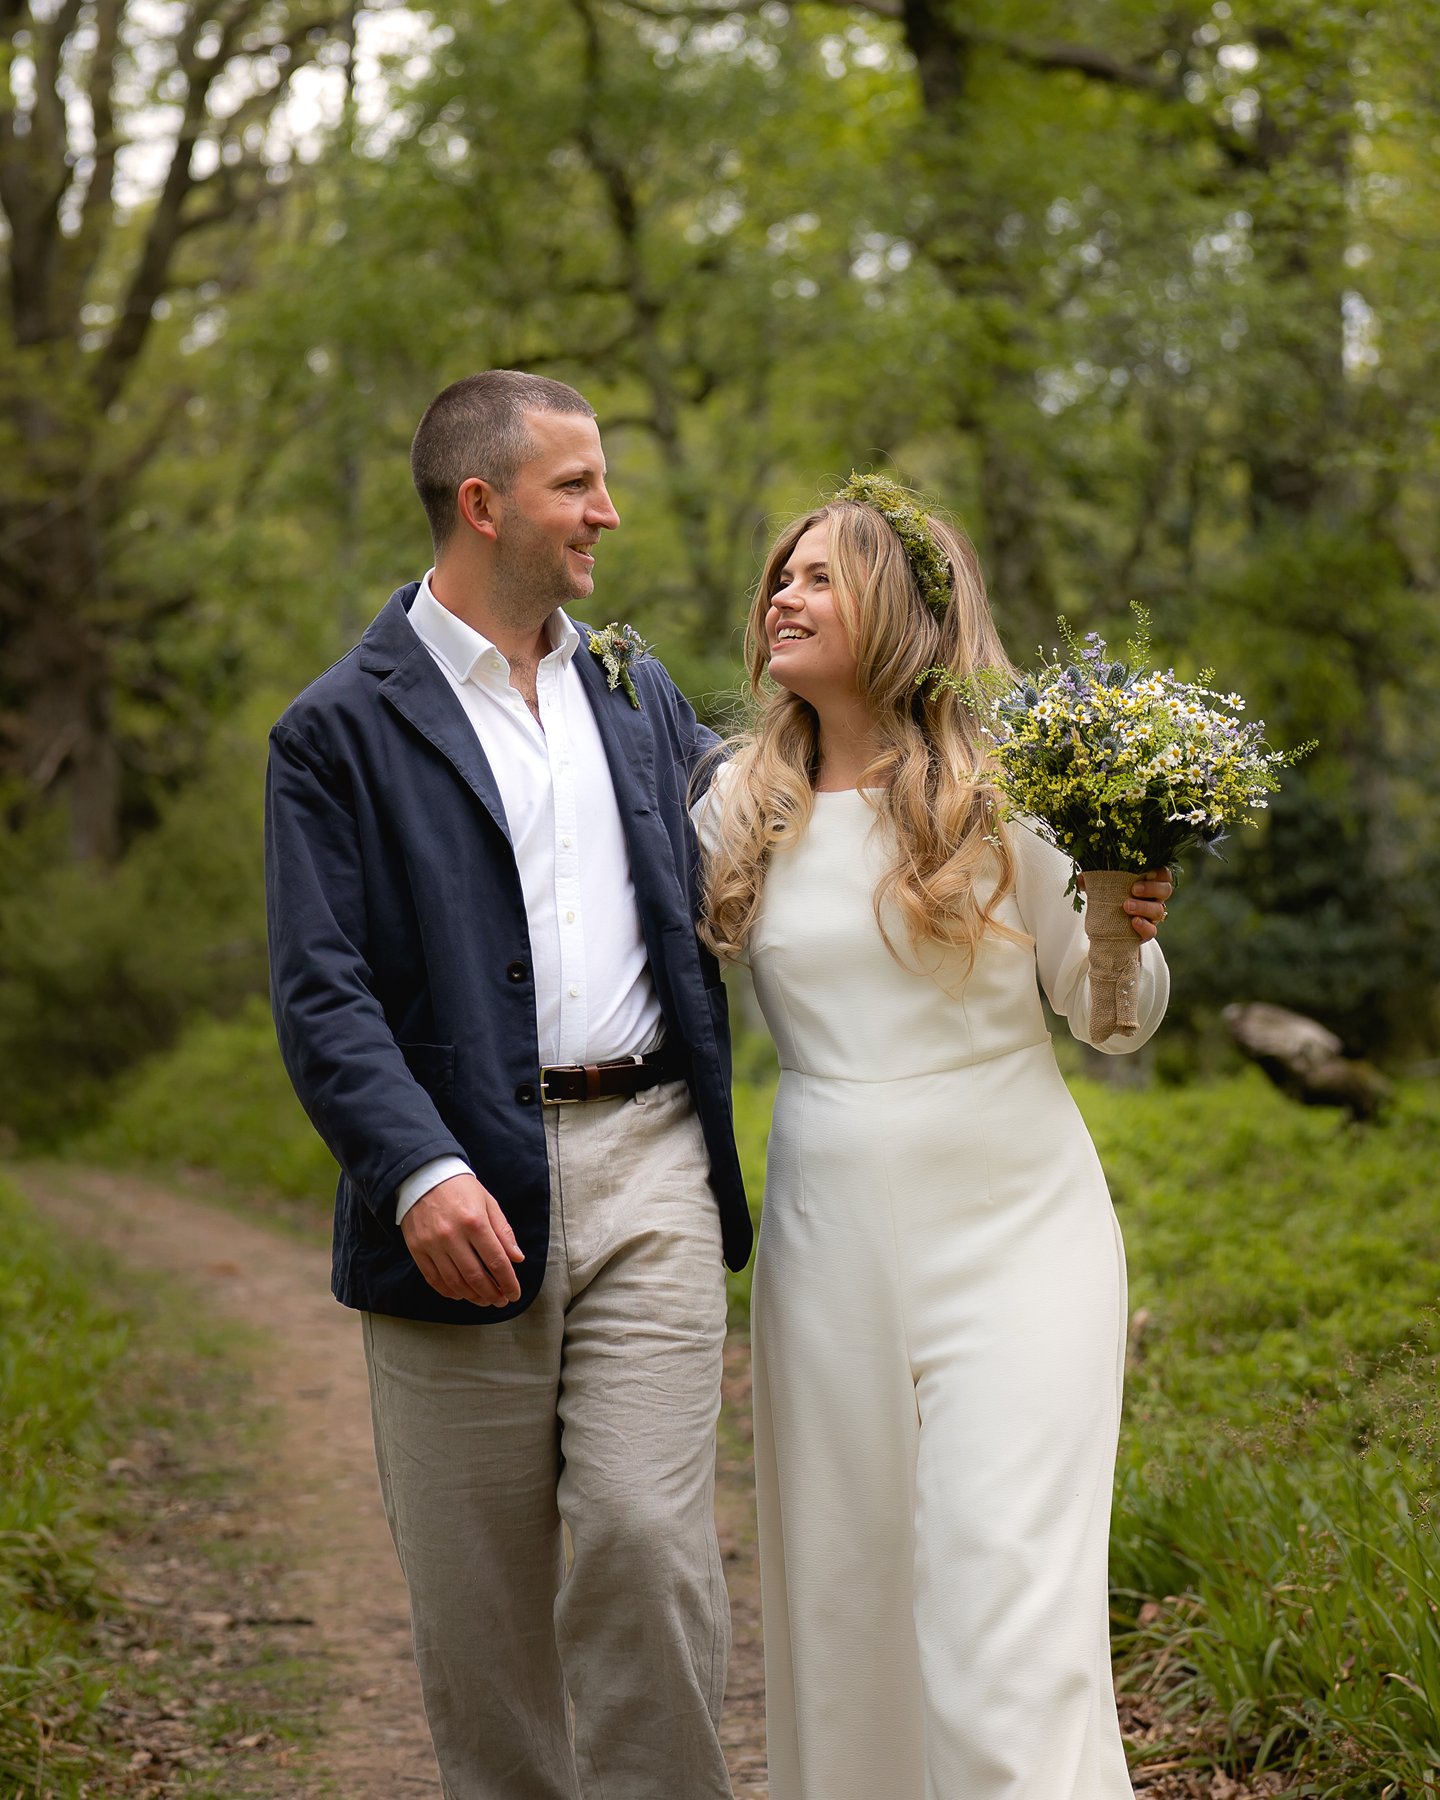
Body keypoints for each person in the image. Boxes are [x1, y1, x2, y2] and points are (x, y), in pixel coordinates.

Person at [264, 370, 751, 1800]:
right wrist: (414, 1171)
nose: (607, 511)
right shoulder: (334, 732)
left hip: (655, 1155)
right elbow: (321, 988)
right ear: (483, 504)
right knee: (480, 1619)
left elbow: (767, 841)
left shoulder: (636, 687)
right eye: (576, 485)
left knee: (649, 1547)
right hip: (458, 1187)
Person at [694, 476, 1172, 1800]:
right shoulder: (733, 805)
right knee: (843, 1613)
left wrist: (1127, 926)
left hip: (1020, 1233)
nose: (781, 595)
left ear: (897, 609)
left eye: (819, 577)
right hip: (827, 1240)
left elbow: (1106, 1017)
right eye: (778, 577)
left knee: (1004, 1609)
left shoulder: (1013, 789)